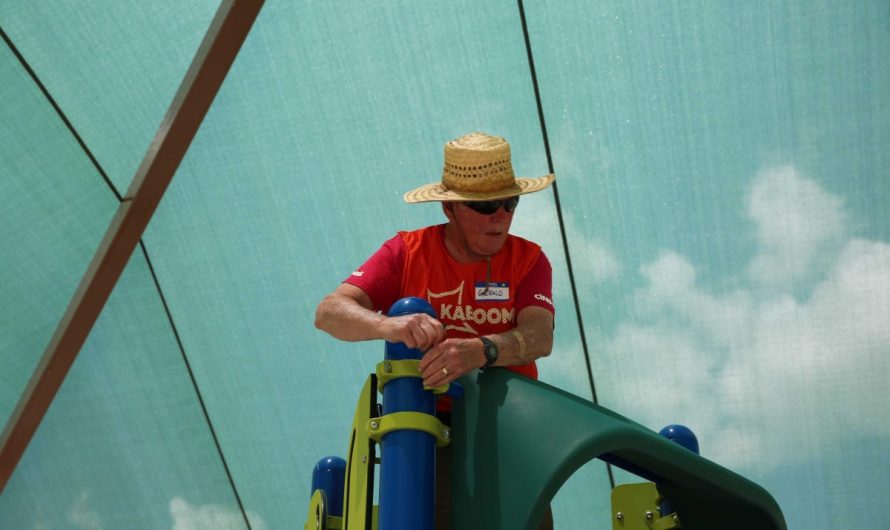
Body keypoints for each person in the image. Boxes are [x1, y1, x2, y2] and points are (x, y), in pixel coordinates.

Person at [315, 131, 556, 530]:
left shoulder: (529, 259)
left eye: (510, 202)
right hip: (428, 438)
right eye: (485, 205)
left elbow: (539, 337)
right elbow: (328, 312)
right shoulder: (407, 251)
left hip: (508, 437)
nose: (501, 216)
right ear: (450, 208)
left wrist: (481, 350)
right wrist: (389, 324)